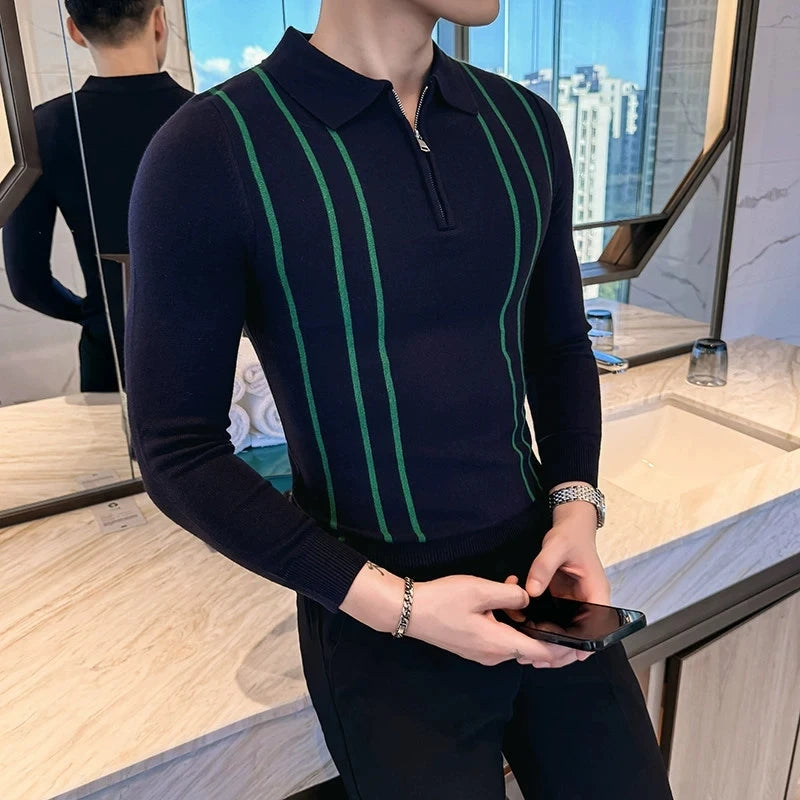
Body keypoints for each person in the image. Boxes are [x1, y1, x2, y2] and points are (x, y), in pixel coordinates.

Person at [125, 1, 674, 797]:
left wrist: (576, 512)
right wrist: (399, 607)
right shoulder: (213, 148)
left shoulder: (524, 125)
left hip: (543, 583)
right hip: (375, 623)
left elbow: (557, 344)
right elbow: (176, 449)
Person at [3, 0, 192, 392]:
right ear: (159, 19)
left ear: (74, 30)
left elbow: (27, 282)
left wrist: (94, 315)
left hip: (111, 354)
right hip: (208, 349)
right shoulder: (211, 117)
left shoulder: (45, 127)